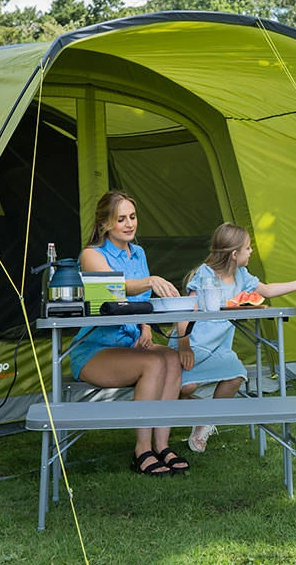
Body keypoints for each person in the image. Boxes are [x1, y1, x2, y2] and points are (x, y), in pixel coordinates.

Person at [69, 189, 190, 476]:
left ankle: (162, 445)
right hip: (96, 348)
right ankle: (141, 450)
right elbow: (115, 288)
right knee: (153, 363)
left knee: (171, 359)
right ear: (105, 224)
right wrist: (150, 280)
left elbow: (142, 301)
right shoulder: (91, 255)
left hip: (131, 342)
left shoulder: (139, 253)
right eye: (121, 218)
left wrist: (145, 327)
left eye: (132, 217)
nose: (129, 224)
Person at [171, 222, 296, 452]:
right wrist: (184, 346)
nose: (251, 251)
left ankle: (205, 423)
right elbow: (186, 312)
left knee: (237, 376)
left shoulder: (241, 275)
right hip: (193, 342)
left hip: (220, 347)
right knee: (187, 388)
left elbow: (267, 290)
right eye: (248, 248)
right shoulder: (205, 274)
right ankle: (193, 412)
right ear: (234, 254)